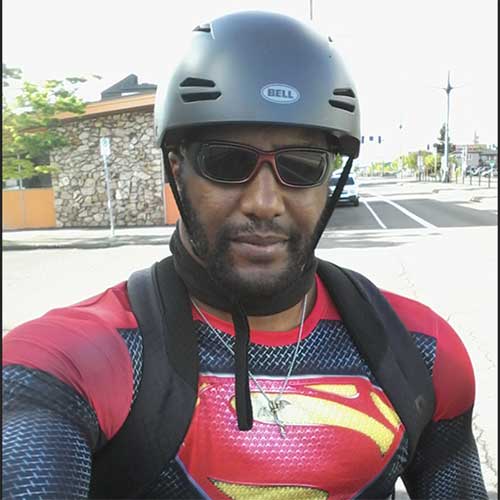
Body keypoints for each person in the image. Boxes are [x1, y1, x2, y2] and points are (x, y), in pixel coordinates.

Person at [2, 10, 487, 500]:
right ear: (177, 169)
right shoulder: (77, 359)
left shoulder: (423, 354)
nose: (264, 202)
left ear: (329, 182)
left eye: (300, 167)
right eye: (226, 161)